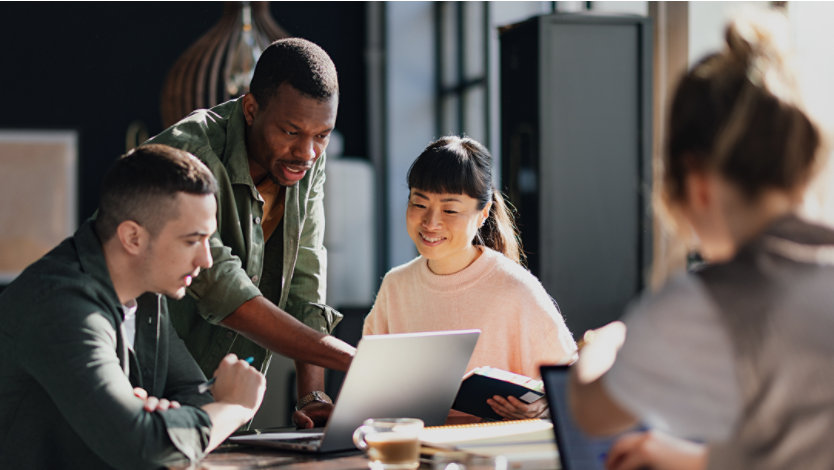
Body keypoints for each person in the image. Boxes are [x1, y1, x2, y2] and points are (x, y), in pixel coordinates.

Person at [568, 11, 832, 470]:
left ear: (697, 181)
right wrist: (691, 461)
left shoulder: (711, 303)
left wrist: (598, 351)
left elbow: (592, 412)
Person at [0, 144, 267, 468]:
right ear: (133, 238)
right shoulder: (61, 308)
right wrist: (236, 408)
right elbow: (142, 448)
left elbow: (194, 393)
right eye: (191, 241)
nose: (206, 260)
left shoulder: (146, 291)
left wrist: (159, 425)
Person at [146, 37, 355, 428]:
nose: (307, 152)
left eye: (322, 135)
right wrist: (357, 363)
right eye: (291, 132)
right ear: (251, 108)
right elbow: (223, 289)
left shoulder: (305, 162)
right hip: (142, 392)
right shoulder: (186, 154)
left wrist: (313, 397)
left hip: (224, 410)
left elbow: (305, 282)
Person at [363, 136, 577, 421]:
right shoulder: (396, 286)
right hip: (413, 448)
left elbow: (571, 382)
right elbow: (367, 385)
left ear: (482, 214)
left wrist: (543, 406)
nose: (431, 222)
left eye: (450, 210)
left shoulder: (515, 288)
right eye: (419, 203)